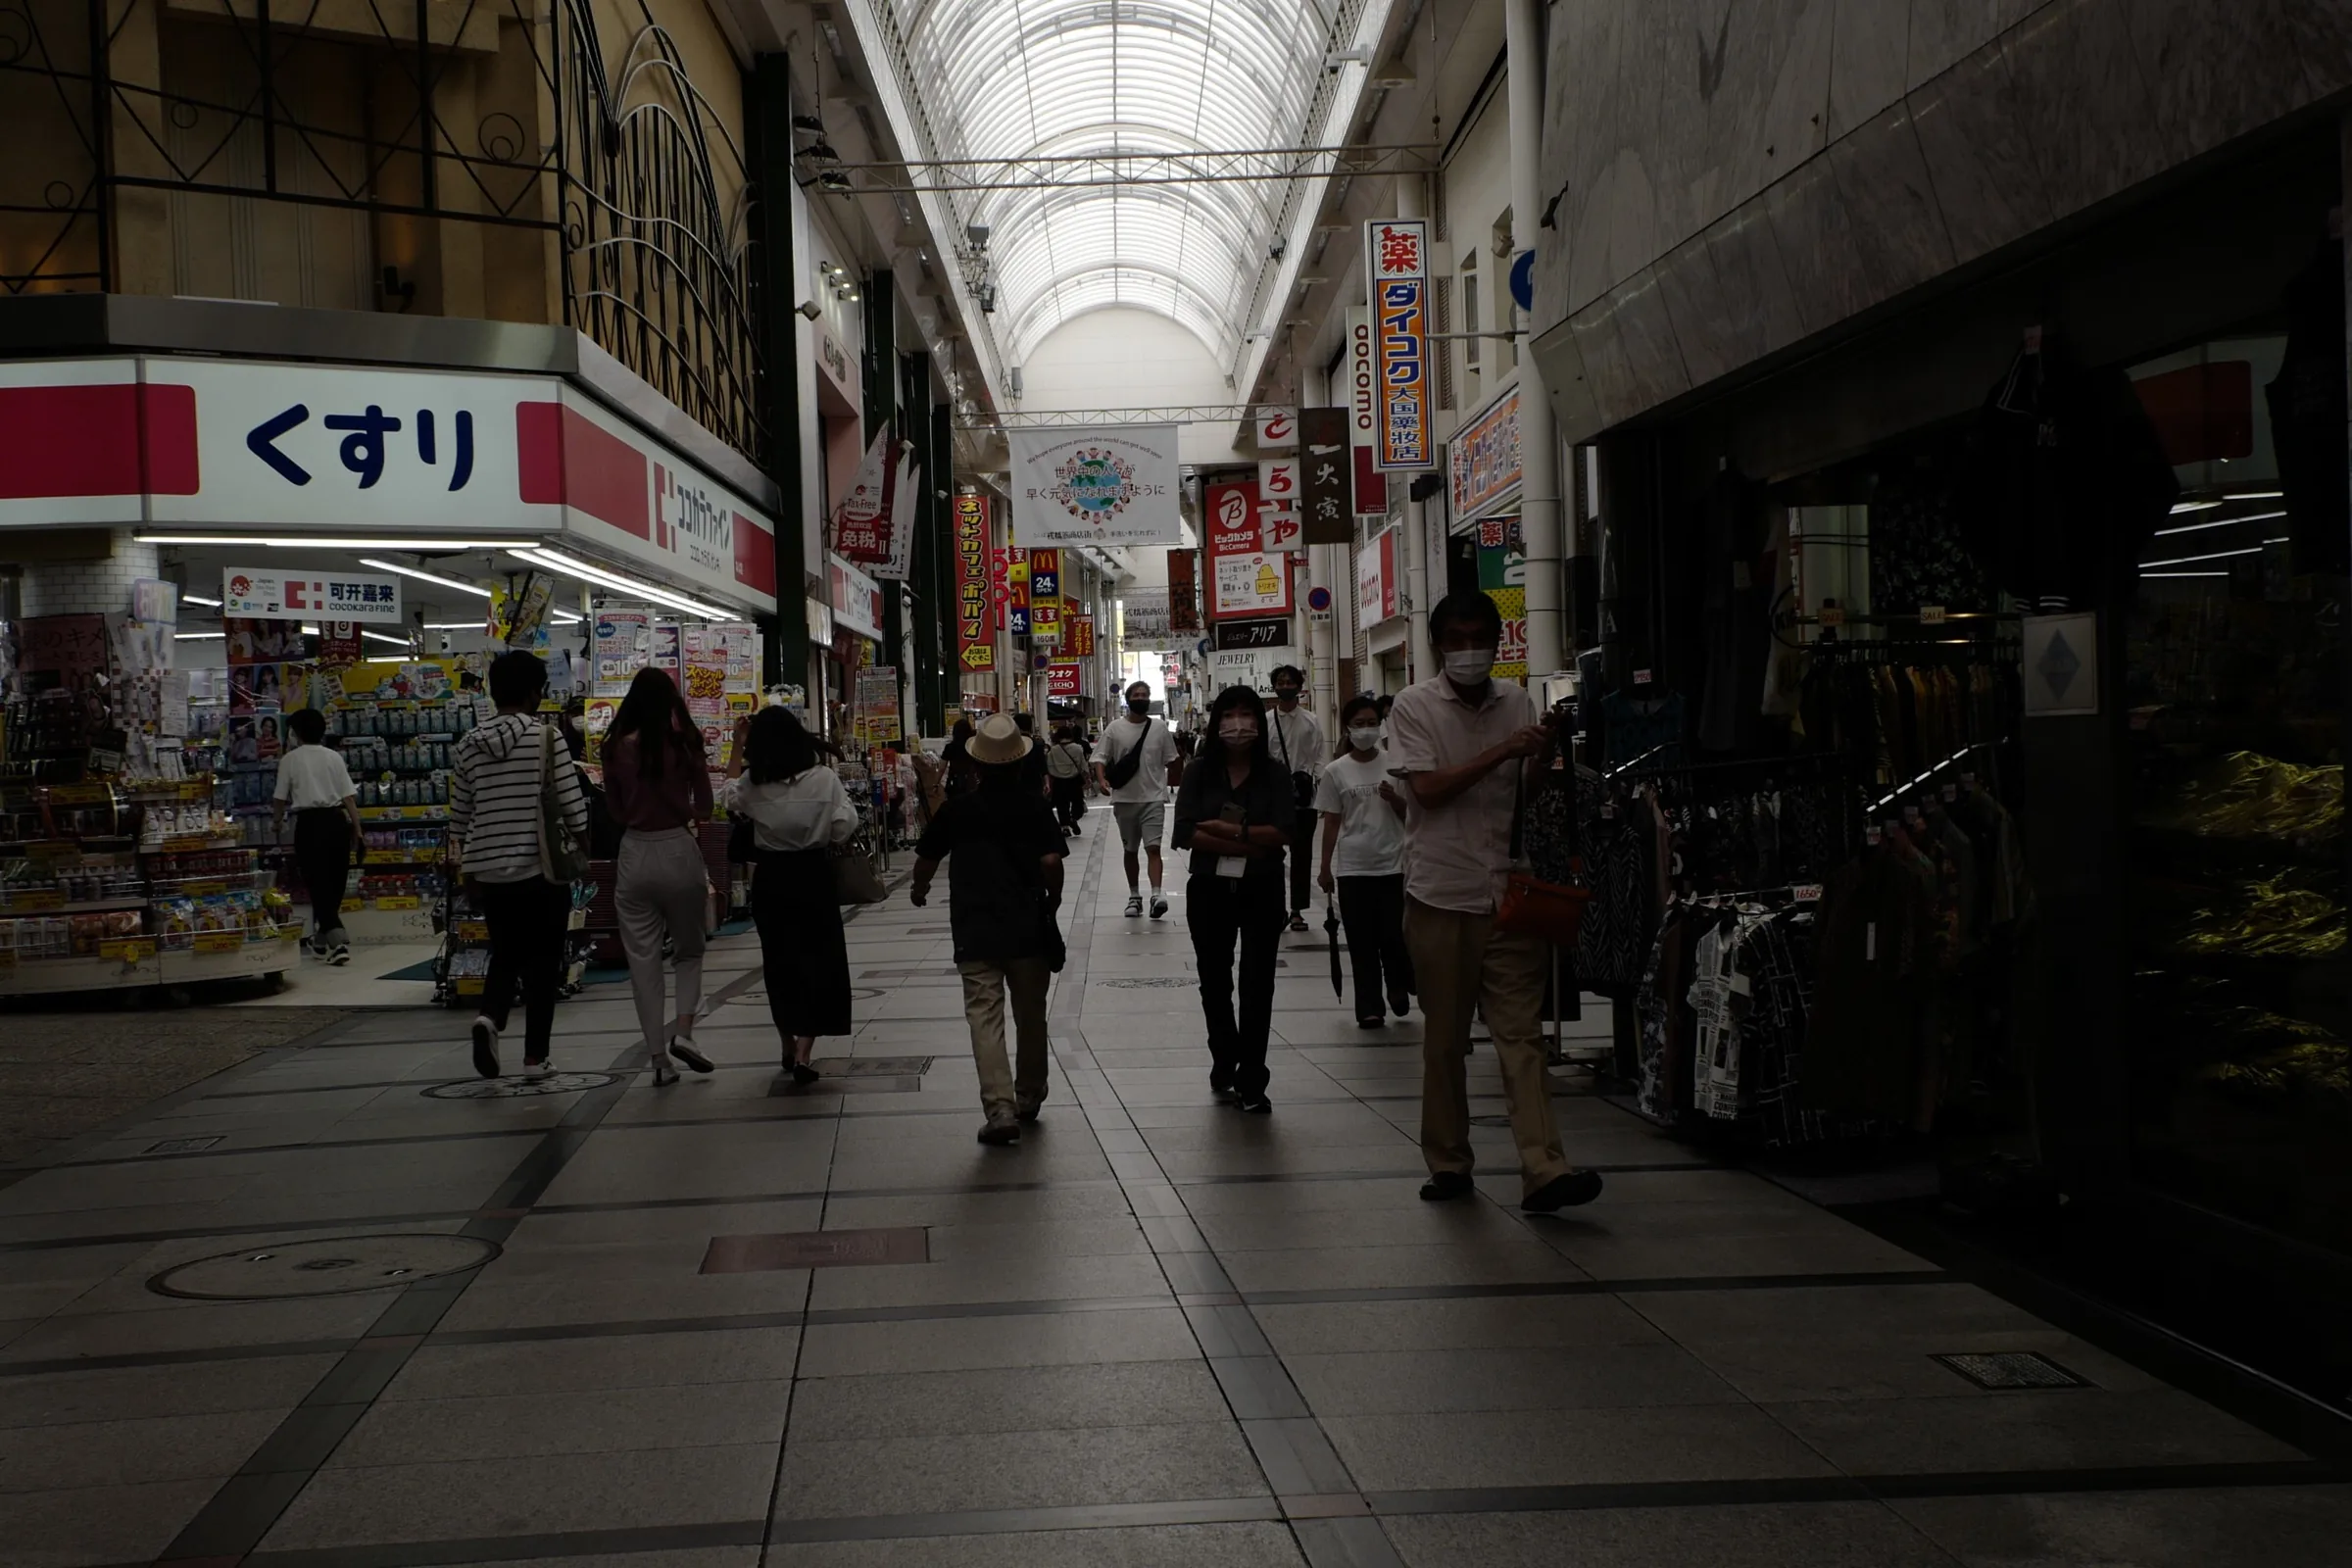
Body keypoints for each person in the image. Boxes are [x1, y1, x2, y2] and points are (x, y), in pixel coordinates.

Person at [1389, 593, 1603, 1213]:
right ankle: (1450, 1161)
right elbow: (1427, 791)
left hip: (1509, 889)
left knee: (1522, 1035)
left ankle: (1544, 1168)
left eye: (1480, 636)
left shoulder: (1516, 700)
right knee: (1447, 1040)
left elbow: (1523, 793)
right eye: (1456, 638)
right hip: (1441, 894)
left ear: (1499, 637)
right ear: (1437, 645)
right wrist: (1502, 752)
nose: (1469, 649)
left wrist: (1538, 756)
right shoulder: (1413, 706)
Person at [909, 714, 1067, 1144]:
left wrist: (919, 889)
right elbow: (1052, 862)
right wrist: (1052, 898)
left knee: (984, 1015)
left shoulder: (958, 809)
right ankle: (1029, 1095)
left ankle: (999, 1111)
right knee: (1030, 1015)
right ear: (1019, 764)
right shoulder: (1035, 806)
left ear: (977, 766)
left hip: (974, 924)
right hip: (1027, 927)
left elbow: (927, 857)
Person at [451, 650, 589, 1080]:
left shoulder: (467, 745)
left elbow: (459, 815)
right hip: (541, 866)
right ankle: (535, 1058)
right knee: (545, 961)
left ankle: (489, 1018)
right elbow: (571, 805)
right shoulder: (546, 737)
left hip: (488, 868)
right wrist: (584, 846)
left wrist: (464, 866)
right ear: (535, 693)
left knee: (506, 952)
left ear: (492, 692)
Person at [1172, 685, 1295, 1113]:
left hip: (1262, 888)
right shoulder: (1199, 771)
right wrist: (1253, 842)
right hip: (1208, 888)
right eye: (1229, 715)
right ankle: (1224, 1055)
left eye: (1246, 715)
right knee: (1215, 981)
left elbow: (1285, 832)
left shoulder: (1275, 774)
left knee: (1258, 982)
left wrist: (1226, 832)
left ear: (1259, 725)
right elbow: (1185, 832)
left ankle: (1252, 1078)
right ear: (1216, 722)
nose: (1238, 724)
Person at [726, 706, 857, 1083]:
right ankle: (803, 1053)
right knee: (821, 961)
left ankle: (785, 1040)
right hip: (814, 877)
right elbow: (842, 827)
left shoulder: (754, 782)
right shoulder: (824, 779)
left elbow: (726, 798)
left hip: (773, 880)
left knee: (780, 964)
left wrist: (737, 745)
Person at [602, 668, 717, 1088]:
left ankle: (657, 1060)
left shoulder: (614, 747)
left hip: (633, 851)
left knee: (643, 961)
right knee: (689, 951)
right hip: (677, 847)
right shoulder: (684, 742)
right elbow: (704, 806)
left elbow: (613, 811)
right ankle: (684, 1032)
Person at [1315, 695, 1413, 1027]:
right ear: (1347, 728)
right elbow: (1331, 820)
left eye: (1372, 722)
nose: (1366, 729)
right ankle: (1369, 1006)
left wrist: (1394, 799)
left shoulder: (1396, 764)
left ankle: (1397, 986)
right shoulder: (1336, 771)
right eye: (1359, 724)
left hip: (1393, 864)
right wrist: (1325, 866)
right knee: (1361, 941)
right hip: (1354, 867)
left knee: (1394, 935)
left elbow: (1411, 815)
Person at [270, 707, 362, 965]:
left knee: (317, 882)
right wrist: (358, 829)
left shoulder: (290, 759)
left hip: (309, 825)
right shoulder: (333, 757)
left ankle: (338, 942)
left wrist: (276, 822)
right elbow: (349, 798)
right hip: (337, 821)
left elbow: (279, 798)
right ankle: (320, 942)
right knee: (335, 883)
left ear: (296, 732)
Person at [1094, 680, 1179, 918]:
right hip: (1124, 799)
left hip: (1153, 797)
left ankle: (1156, 894)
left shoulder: (1160, 728)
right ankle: (1134, 896)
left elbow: (1171, 759)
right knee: (1130, 849)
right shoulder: (1114, 728)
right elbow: (1100, 756)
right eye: (1136, 694)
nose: (1140, 697)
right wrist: (1102, 780)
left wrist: (1171, 786)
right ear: (1128, 699)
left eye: (1144, 694)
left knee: (1153, 847)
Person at [1267, 664, 1327, 932]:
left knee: (1302, 856)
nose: (1285, 685)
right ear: (1274, 686)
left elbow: (1319, 756)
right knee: (1272, 855)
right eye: (1280, 681)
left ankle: (1297, 911)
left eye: (1290, 681)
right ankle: (1275, 908)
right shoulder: (1266, 721)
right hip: (1273, 798)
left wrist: (1317, 784)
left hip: (1305, 798)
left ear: (1300, 687)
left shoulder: (1311, 720)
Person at [1044, 725, 1090, 835]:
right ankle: (1073, 818)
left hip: (1059, 782)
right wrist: (1087, 776)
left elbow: (1049, 767)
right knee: (1078, 803)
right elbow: (1083, 765)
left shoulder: (1053, 750)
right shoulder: (1078, 748)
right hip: (1074, 781)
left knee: (1061, 805)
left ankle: (1065, 827)